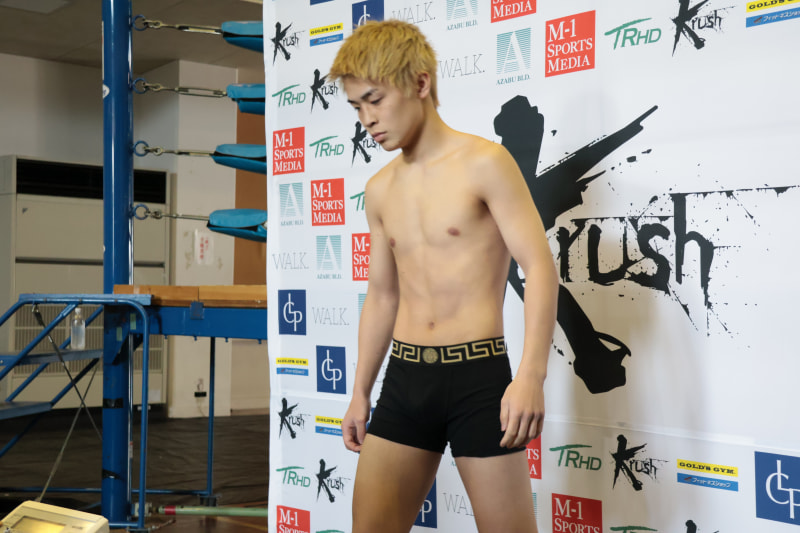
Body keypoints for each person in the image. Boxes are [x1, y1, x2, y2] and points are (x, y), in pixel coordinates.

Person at [328, 20, 558, 533]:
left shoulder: (485, 162)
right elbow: (382, 295)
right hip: (405, 380)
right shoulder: (379, 188)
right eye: (356, 107)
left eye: (374, 100)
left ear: (420, 82)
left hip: (478, 378)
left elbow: (540, 266)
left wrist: (530, 376)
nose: (367, 119)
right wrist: (361, 390)